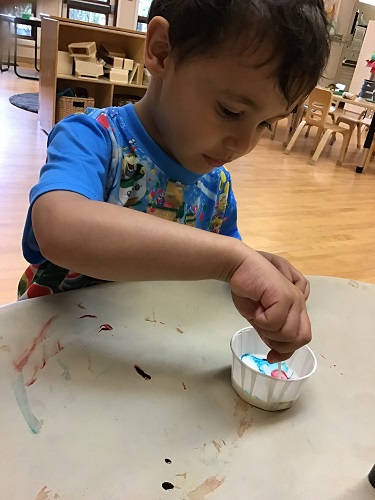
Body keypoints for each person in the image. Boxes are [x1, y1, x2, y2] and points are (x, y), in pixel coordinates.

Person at [19, 0, 330, 363]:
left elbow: (214, 268)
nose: (244, 145)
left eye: (265, 124)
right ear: (162, 51)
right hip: (50, 352)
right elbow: (60, 228)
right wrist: (233, 260)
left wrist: (255, 267)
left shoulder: (217, 188)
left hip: (145, 357)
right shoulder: (92, 138)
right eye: (230, 111)